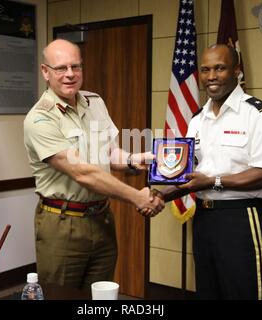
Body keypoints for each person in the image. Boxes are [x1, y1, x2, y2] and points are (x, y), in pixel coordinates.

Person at [23, 39, 164, 299]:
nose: (70, 74)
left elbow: (108, 152)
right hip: (62, 225)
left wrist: (134, 159)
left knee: (99, 300)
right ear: (45, 71)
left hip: (101, 219)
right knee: (59, 296)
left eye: (75, 66)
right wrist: (137, 197)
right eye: (61, 68)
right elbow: (82, 172)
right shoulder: (40, 118)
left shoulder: (94, 102)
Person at [154, 44, 262, 300]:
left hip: (243, 220)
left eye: (219, 68)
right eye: (205, 69)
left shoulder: (259, 114)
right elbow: (189, 174)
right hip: (204, 221)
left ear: (236, 71)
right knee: (208, 293)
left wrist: (213, 181)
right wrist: (160, 195)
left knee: (250, 293)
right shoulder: (197, 119)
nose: (211, 76)